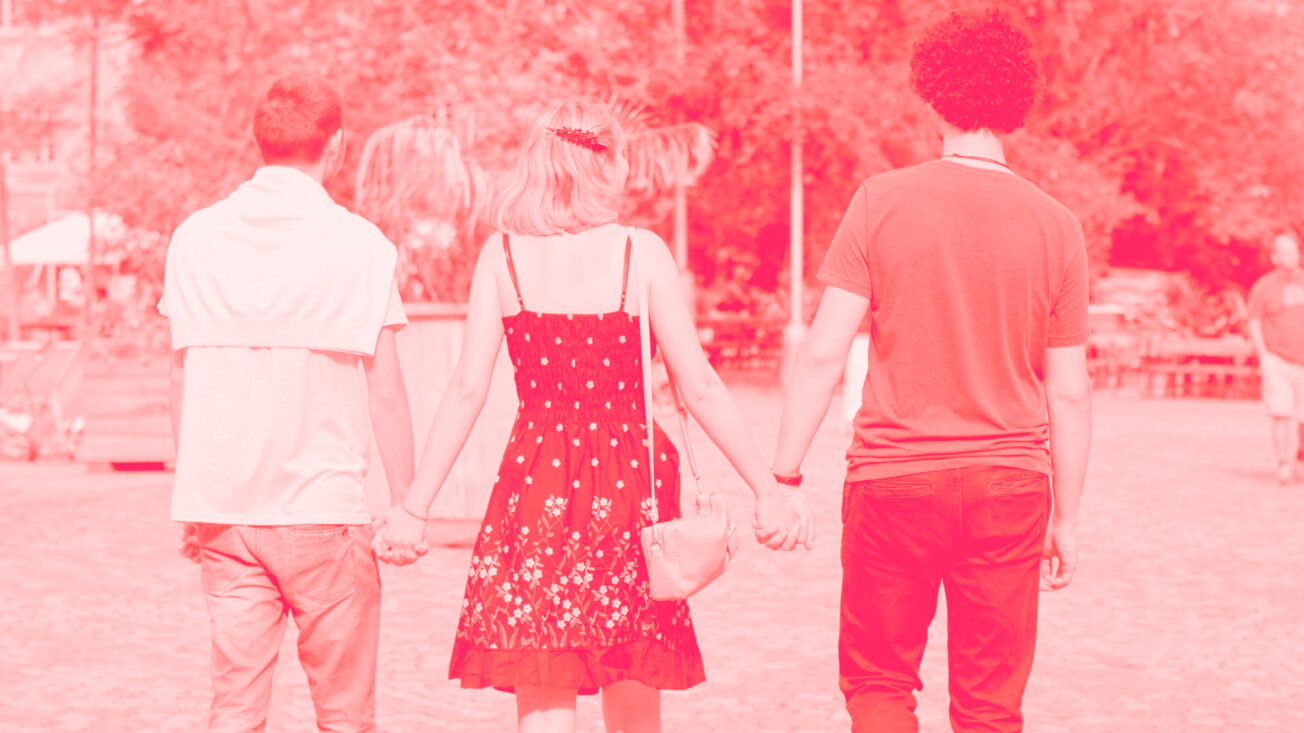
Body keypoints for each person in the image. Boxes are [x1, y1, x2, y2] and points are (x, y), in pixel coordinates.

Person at [375, 99, 813, 733]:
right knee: (633, 687)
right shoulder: (642, 253)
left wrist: (415, 506)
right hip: (629, 483)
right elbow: (700, 387)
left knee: (544, 681)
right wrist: (766, 491)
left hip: (537, 486)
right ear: (605, 165)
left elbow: (468, 389)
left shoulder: (501, 257)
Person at [771, 8, 1092, 732]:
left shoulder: (880, 202)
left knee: (881, 683)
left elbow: (824, 352)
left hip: (893, 479)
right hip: (1010, 484)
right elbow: (1068, 390)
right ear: (1020, 101)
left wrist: (783, 476)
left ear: (931, 94)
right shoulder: (1057, 225)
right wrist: (1067, 516)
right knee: (989, 705)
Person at [160, 71, 417, 732]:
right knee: (343, 713)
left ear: (261, 140)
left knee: (236, 708)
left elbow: (182, 376)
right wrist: (406, 505)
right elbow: (385, 391)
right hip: (323, 507)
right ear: (335, 144)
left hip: (225, 507)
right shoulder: (362, 246)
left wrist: (192, 498)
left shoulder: (194, 237)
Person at [1246, 232, 1304, 484]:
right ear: (1274, 257)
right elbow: (1254, 321)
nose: (1291, 258)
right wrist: (1263, 356)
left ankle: (1300, 459)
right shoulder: (1263, 287)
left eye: (1294, 252)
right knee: (1281, 413)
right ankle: (1283, 463)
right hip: (1278, 360)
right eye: (1285, 253)